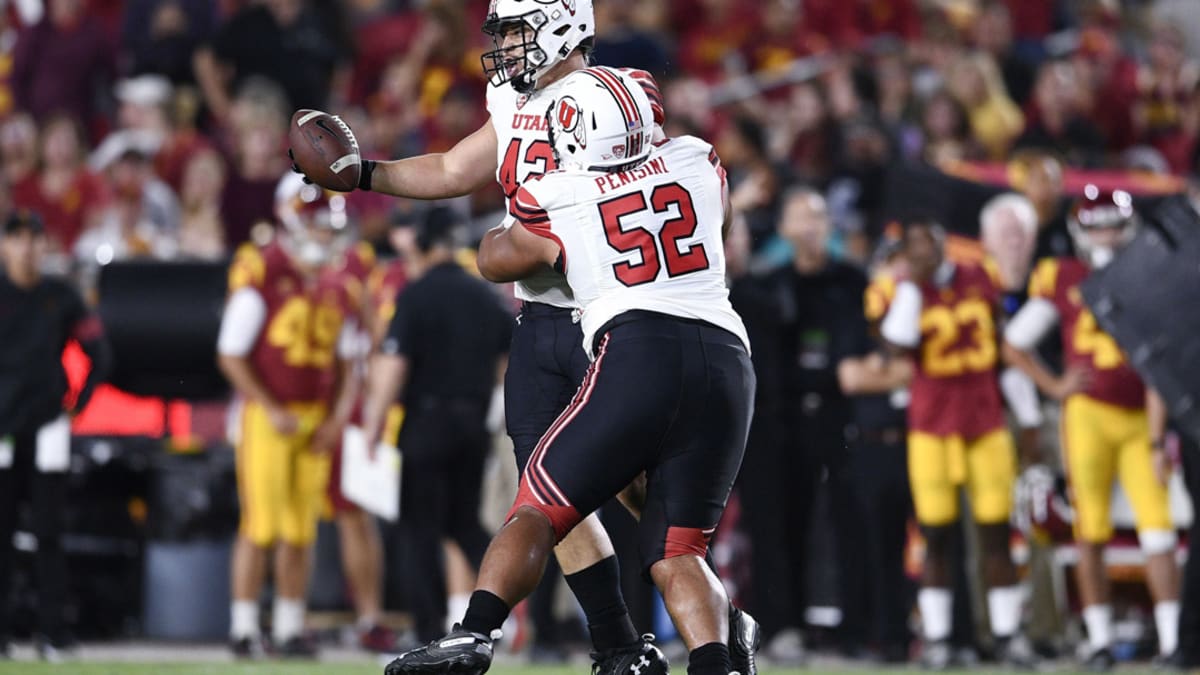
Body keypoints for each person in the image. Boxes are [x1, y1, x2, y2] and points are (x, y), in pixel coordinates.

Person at [289, 1, 759, 672]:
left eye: (515, 31)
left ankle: (494, 630)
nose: (505, 47)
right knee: (569, 485)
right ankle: (624, 642)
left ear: (563, 29)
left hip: (606, 318)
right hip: (609, 319)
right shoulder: (679, 152)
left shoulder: (591, 129)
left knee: (586, 490)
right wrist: (367, 174)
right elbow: (455, 170)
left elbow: (502, 248)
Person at [1002, 187, 1180, 670]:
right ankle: (1100, 641)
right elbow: (1014, 343)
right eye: (1096, 224)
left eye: (1113, 224)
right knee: (1091, 530)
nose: (1106, 235)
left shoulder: (1149, 276)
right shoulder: (1062, 276)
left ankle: (1171, 641)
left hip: (1143, 415)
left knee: (1158, 533)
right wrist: (1055, 385)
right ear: (1080, 232)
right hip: (1088, 415)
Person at [879, 218, 1033, 669]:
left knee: (996, 533)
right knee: (936, 537)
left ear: (945, 245)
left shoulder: (980, 277)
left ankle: (1008, 636)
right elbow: (898, 345)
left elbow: (1003, 348)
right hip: (932, 427)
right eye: (915, 246)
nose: (924, 253)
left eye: (930, 243)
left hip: (985, 423)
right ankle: (939, 639)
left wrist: (1025, 416)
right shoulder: (908, 292)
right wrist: (911, 287)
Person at [216, 179, 360, 658]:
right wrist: (272, 407)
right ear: (294, 220)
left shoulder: (336, 285)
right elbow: (231, 354)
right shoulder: (262, 271)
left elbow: (347, 365)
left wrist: (337, 419)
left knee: (300, 530)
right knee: (261, 526)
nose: (324, 237)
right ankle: (242, 628)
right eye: (317, 226)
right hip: (267, 417)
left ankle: (289, 627)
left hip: (314, 418)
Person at [358, 207, 511, 645]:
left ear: (423, 244)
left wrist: (372, 425)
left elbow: (394, 365)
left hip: (426, 422)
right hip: (474, 424)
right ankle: (507, 603)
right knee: (465, 523)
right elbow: (508, 363)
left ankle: (427, 631)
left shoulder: (416, 294)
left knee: (420, 530)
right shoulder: (486, 297)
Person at [0, 210, 111, 660]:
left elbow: (99, 354)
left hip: (47, 425)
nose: (27, 247)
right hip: (1, 430)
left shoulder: (60, 296)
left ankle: (53, 633)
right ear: (5, 245)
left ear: (45, 245)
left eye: (33, 238)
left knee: (50, 533)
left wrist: (75, 409)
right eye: (18, 238)